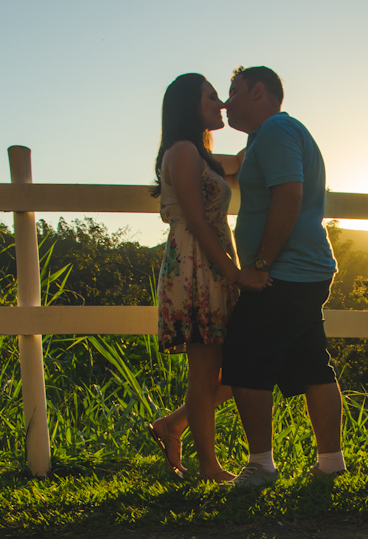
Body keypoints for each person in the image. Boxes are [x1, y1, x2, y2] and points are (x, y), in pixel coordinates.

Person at [221, 66, 346, 487]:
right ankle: (331, 462)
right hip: (305, 269)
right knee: (312, 361)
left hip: (284, 271)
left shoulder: (275, 130)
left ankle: (261, 465)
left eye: (234, 91)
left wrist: (259, 265)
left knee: (244, 355)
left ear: (259, 92)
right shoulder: (268, 137)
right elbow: (235, 167)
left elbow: (289, 195)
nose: (226, 101)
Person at [145, 73, 271, 482]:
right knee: (205, 373)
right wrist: (233, 273)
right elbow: (197, 222)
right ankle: (209, 468)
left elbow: (248, 160)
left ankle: (173, 425)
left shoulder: (202, 155)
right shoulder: (182, 151)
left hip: (210, 266)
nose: (220, 104)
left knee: (236, 365)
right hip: (196, 267)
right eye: (212, 97)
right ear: (189, 105)